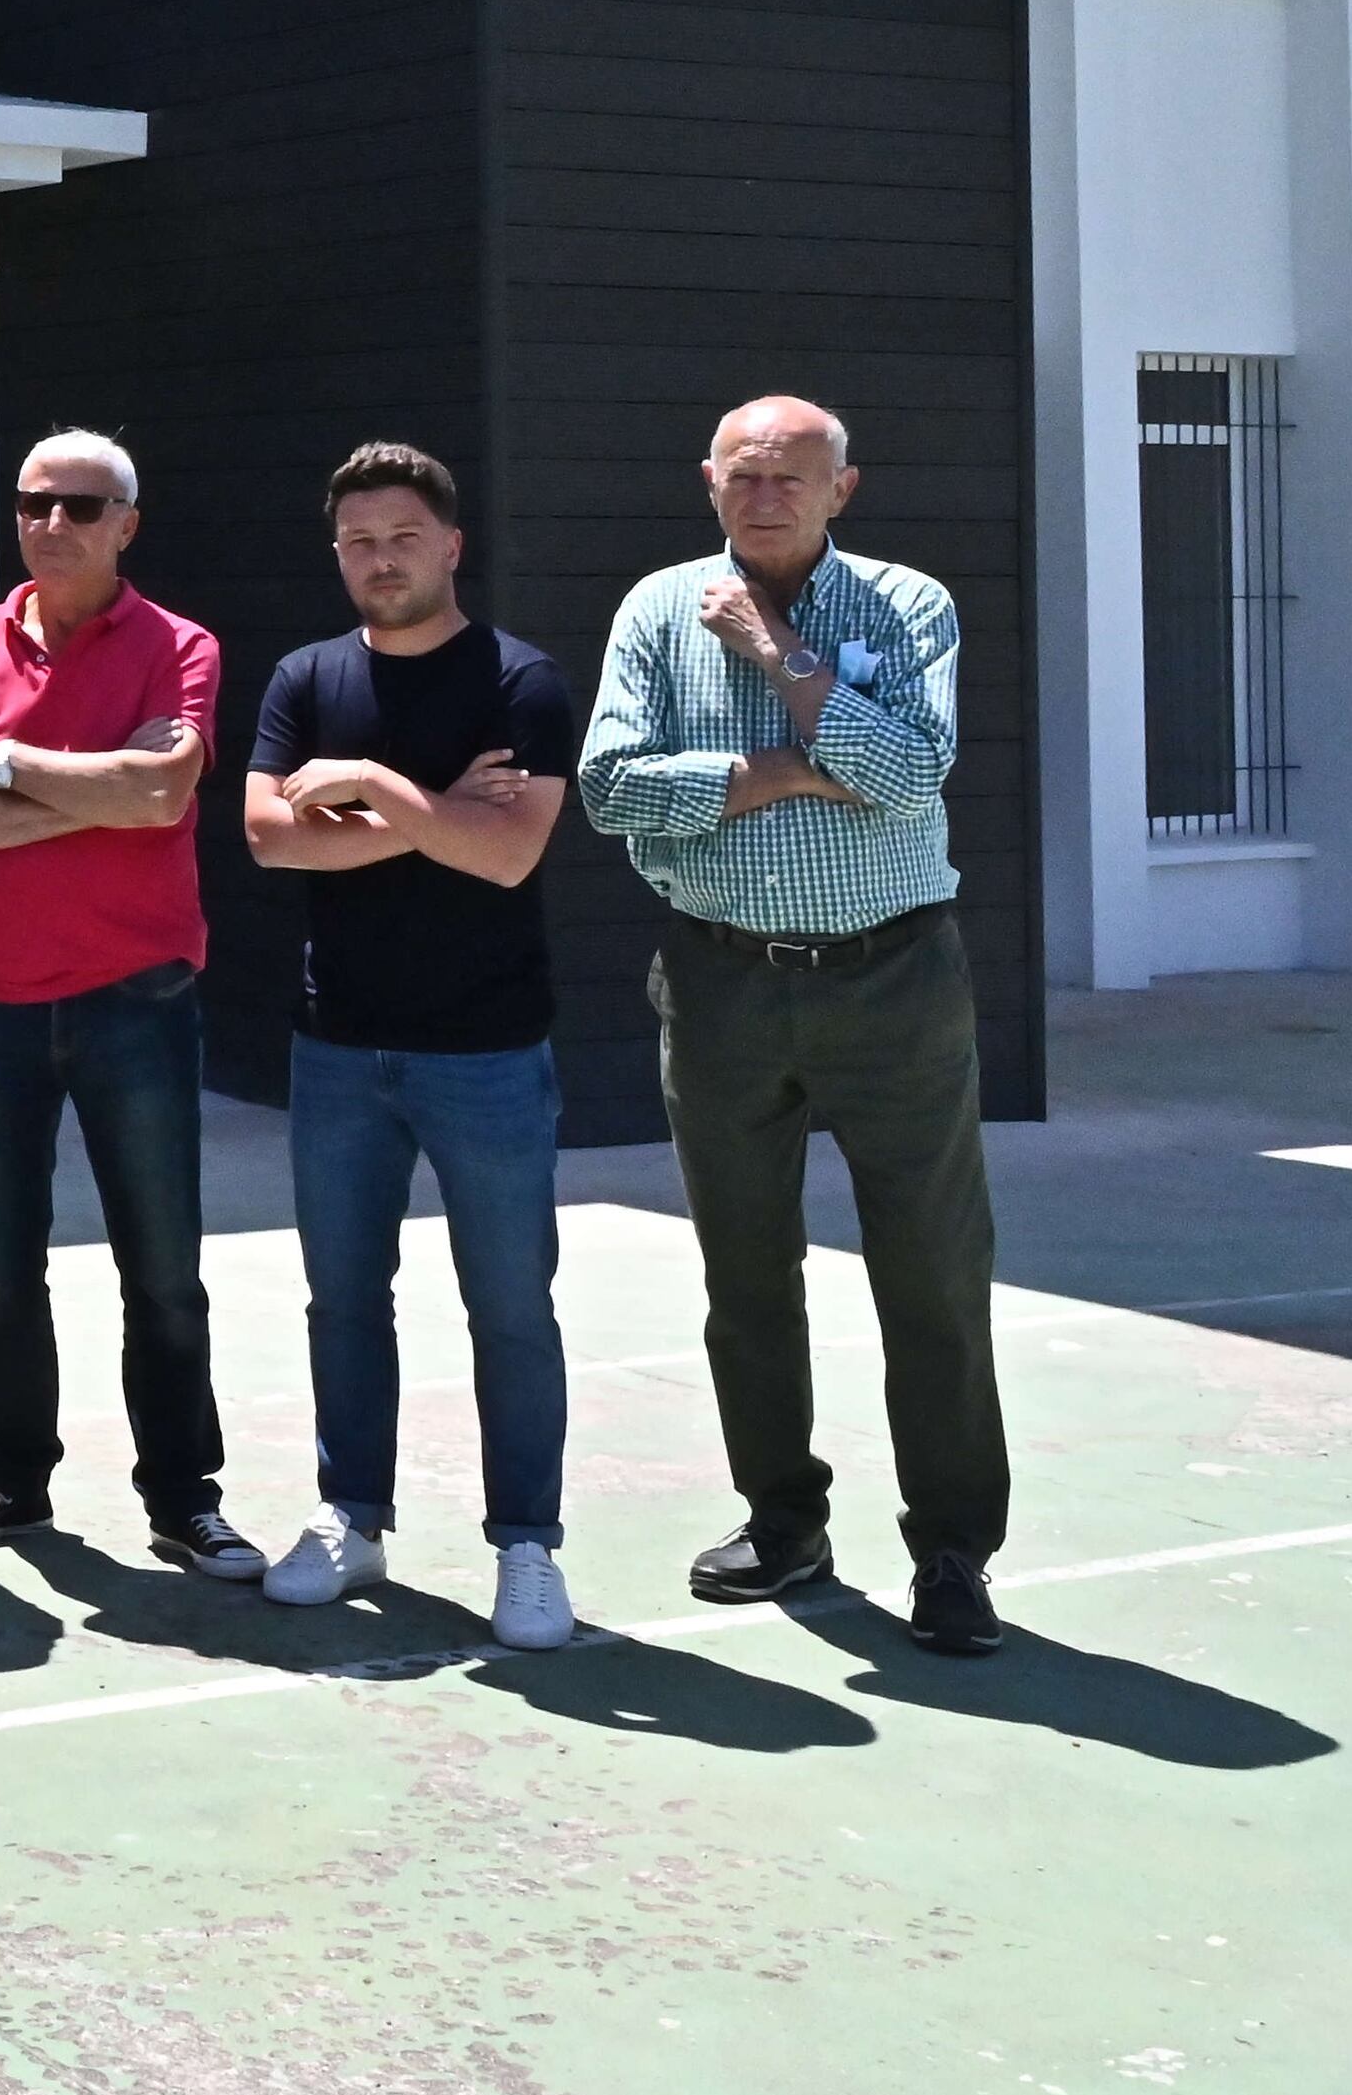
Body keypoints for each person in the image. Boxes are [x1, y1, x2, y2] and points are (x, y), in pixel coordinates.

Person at [578, 394, 1005, 1657]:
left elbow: (909, 774)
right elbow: (608, 789)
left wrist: (774, 655)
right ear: (705, 480)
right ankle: (781, 1519)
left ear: (841, 490)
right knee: (743, 1274)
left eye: (790, 477)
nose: (763, 496)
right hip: (719, 984)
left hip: (894, 984)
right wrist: (783, 766)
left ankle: (950, 1554)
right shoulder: (655, 609)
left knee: (930, 1272)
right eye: (741, 475)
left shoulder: (906, 605)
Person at [238, 444, 581, 1651]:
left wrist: (367, 784)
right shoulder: (302, 677)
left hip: (484, 1052)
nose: (377, 561)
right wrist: (433, 809)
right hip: (336, 1051)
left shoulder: (520, 683)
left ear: (449, 545)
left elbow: (504, 855)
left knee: (508, 1308)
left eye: (399, 538)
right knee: (343, 1301)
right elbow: (271, 842)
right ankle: (351, 1515)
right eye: (356, 543)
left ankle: (526, 1545)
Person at [0, 432, 257, 1580]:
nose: (48, 522)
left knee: (161, 1270)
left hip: (135, 1002)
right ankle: (11, 1482)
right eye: (30, 503)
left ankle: (182, 1498)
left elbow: (164, 790)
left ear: (124, 525)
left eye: (77, 505)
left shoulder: (176, 644)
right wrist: (92, 791)